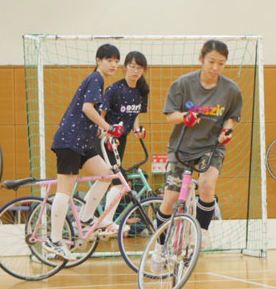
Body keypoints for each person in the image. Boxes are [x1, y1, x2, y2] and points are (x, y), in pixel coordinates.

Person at [155, 39, 240, 255]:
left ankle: (202, 231)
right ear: (201, 59)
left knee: (206, 185)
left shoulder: (231, 90)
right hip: (182, 147)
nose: (215, 68)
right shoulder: (182, 84)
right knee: (171, 198)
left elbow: (232, 117)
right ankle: (160, 245)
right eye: (211, 61)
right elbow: (170, 116)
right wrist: (185, 117)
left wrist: (227, 130)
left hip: (211, 147)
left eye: (221, 63)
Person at [46, 44, 123, 260]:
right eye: (109, 60)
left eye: (117, 61)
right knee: (64, 191)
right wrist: (108, 127)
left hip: (83, 142)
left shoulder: (97, 81)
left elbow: (87, 115)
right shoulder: (96, 79)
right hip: (69, 142)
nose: (114, 64)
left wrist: (100, 131)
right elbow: (87, 109)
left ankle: (87, 217)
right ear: (98, 60)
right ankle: (54, 242)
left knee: (106, 174)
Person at [93, 51, 150, 235]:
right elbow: (100, 117)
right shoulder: (114, 89)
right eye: (132, 66)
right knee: (115, 180)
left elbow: (134, 118)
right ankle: (106, 221)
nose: (135, 71)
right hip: (106, 140)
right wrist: (108, 133)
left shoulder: (142, 91)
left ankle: (105, 221)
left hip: (121, 140)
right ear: (125, 67)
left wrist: (138, 131)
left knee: (117, 182)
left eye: (139, 68)